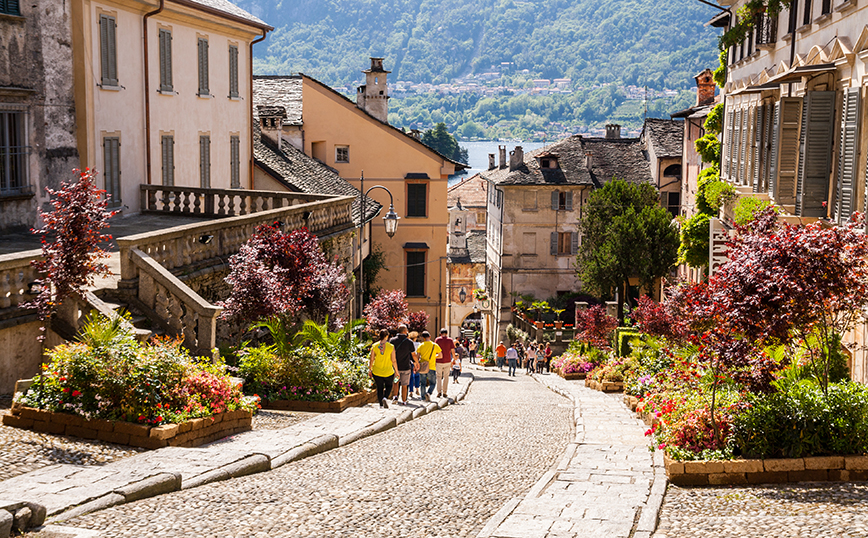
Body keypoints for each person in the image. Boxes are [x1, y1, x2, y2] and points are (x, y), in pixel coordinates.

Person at [390, 324, 419, 405]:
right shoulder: (409, 342)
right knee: (404, 384)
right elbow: (413, 354)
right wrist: (417, 363)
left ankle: (395, 396)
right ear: (405, 331)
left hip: (396, 367)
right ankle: (404, 400)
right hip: (406, 367)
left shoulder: (392, 340)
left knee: (396, 382)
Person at [369, 329, 398, 408]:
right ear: (387, 336)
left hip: (377, 371)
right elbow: (394, 360)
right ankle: (385, 397)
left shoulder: (375, 346)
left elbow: (371, 359)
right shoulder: (391, 346)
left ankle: (381, 404)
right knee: (389, 386)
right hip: (388, 371)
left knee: (379, 387)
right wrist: (397, 371)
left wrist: (370, 369)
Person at [416, 330, 441, 401]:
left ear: (423, 338)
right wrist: (434, 356)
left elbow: (417, 357)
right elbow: (440, 355)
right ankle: (429, 393)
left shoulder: (420, 345)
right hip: (431, 366)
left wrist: (417, 365)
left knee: (423, 383)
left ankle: (423, 397)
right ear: (430, 336)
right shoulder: (434, 345)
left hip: (423, 367)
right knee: (433, 383)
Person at [434, 328, 455, 398]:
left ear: (440, 333)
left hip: (439, 360)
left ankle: (439, 391)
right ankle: (445, 392)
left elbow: (435, 350)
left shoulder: (437, 340)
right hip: (447, 360)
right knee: (446, 376)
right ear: (447, 333)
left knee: (438, 376)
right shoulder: (450, 340)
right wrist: (454, 358)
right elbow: (452, 350)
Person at [408, 331, 421, 398]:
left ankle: (411, 391)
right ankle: (417, 389)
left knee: (411, 377)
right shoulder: (419, 344)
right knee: (417, 376)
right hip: (417, 361)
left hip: (410, 361)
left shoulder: (408, 344)